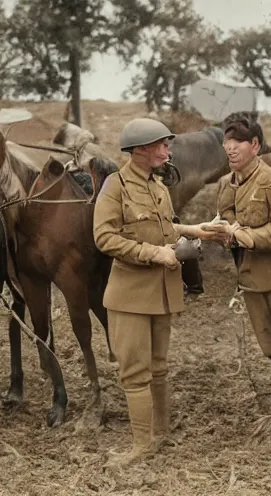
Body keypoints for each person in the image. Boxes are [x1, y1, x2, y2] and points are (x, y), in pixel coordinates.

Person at [93, 118, 226, 467]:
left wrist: (194, 229)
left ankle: (160, 433)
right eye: (162, 145)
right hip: (131, 295)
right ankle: (141, 445)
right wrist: (153, 253)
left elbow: (163, 226)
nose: (169, 150)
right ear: (140, 150)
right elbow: (104, 238)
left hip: (161, 291)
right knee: (135, 372)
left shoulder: (159, 187)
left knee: (159, 367)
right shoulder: (115, 186)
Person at [214, 115, 271, 421]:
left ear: (254, 145)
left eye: (237, 142)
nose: (230, 148)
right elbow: (226, 223)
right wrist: (223, 235)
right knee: (268, 346)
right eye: (227, 142)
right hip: (250, 278)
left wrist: (247, 236)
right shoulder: (224, 185)